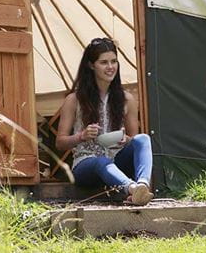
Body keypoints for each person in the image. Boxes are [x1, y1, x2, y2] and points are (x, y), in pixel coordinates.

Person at [56, 37, 154, 205]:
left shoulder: (126, 99)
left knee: (143, 139)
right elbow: (60, 142)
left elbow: (133, 139)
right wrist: (81, 136)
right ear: (91, 65)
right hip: (86, 166)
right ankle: (132, 189)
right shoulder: (74, 100)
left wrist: (126, 140)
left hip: (117, 161)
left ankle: (143, 185)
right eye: (104, 62)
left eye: (114, 61)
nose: (110, 67)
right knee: (101, 161)